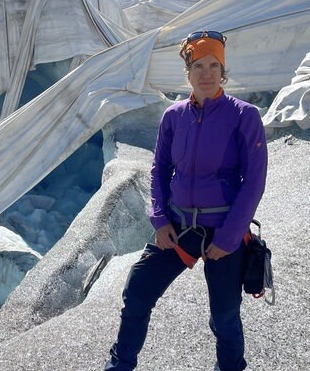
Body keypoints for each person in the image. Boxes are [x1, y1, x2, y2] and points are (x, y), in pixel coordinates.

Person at [104, 30, 268, 371]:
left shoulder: (243, 115)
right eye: (198, 66)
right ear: (188, 72)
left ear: (222, 71)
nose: (206, 73)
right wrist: (160, 219)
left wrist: (228, 237)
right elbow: (159, 169)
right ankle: (120, 366)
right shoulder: (174, 116)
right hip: (178, 228)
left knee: (223, 316)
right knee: (137, 294)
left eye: (213, 65)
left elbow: (253, 182)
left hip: (224, 229)